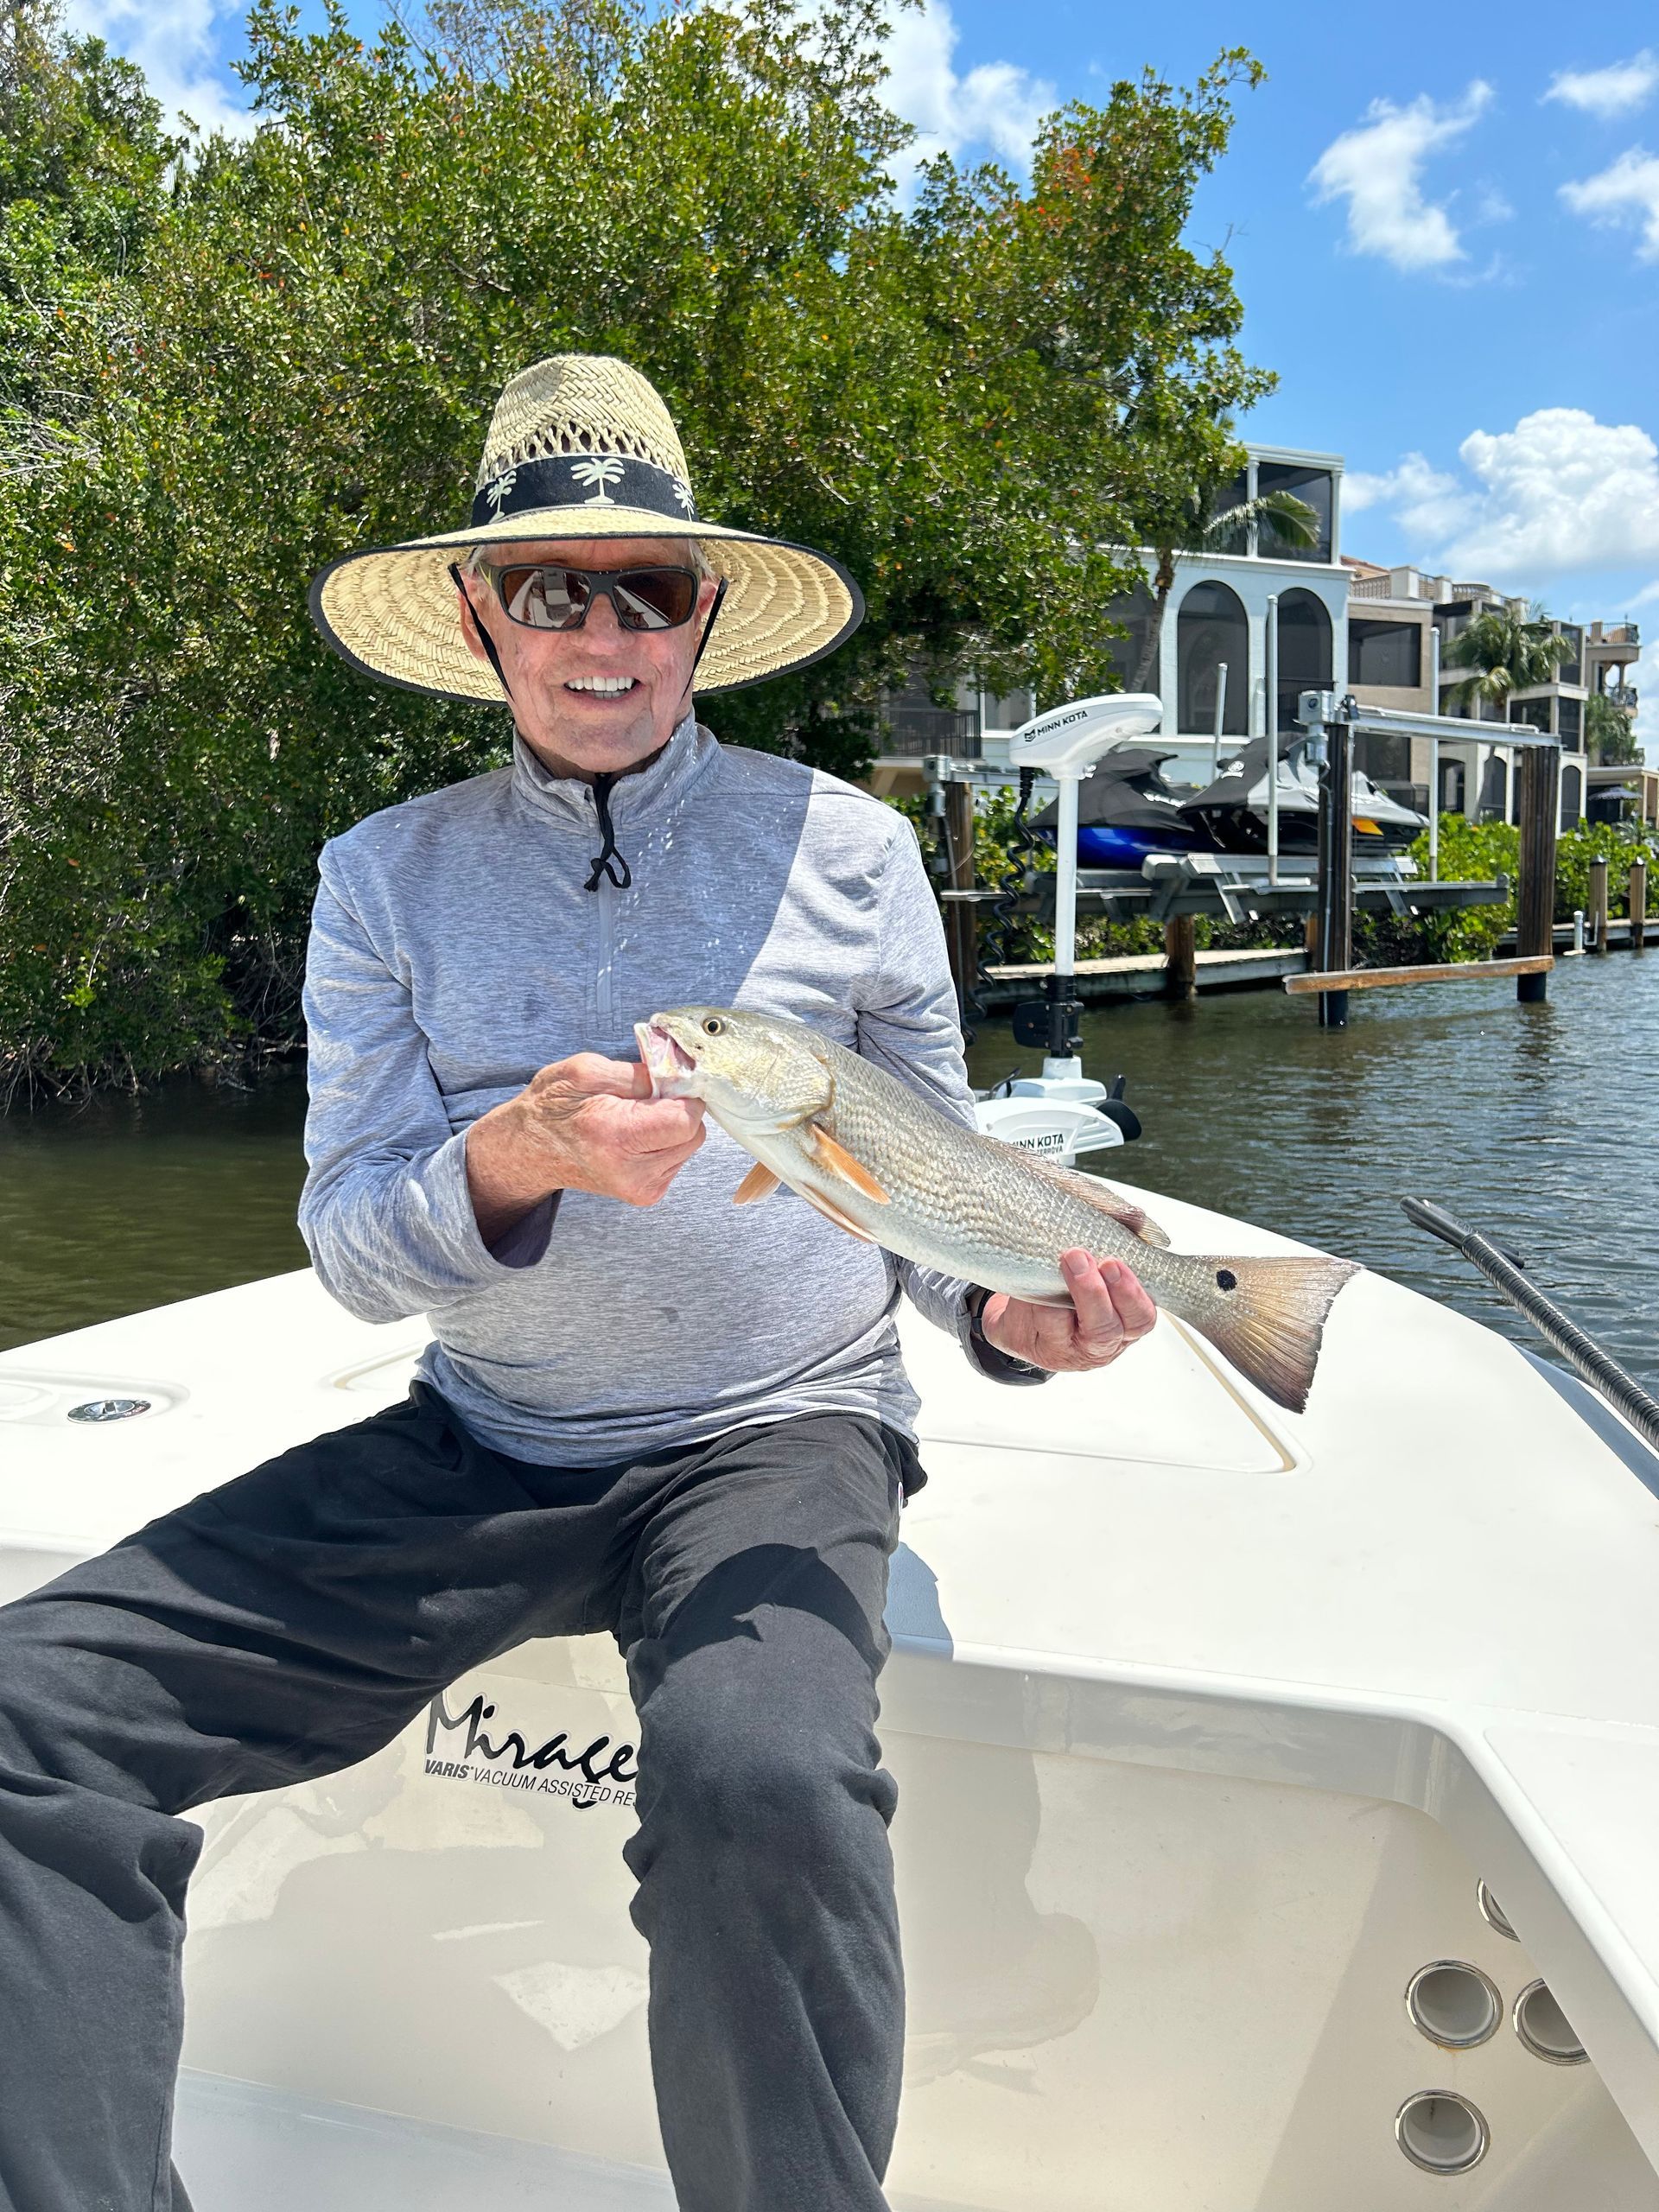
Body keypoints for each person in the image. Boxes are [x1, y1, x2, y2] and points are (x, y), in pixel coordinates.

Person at [0, 353, 1154, 2212]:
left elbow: (928, 1182)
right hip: (488, 1436)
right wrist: (509, 1159)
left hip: (783, 1431)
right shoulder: (381, 877)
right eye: (551, 588)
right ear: (482, 617)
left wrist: (1011, 1319)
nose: (601, 634)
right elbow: (350, 1249)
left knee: (760, 1783)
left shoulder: (852, 850)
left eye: (648, 588)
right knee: (23, 1719)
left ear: (704, 618)